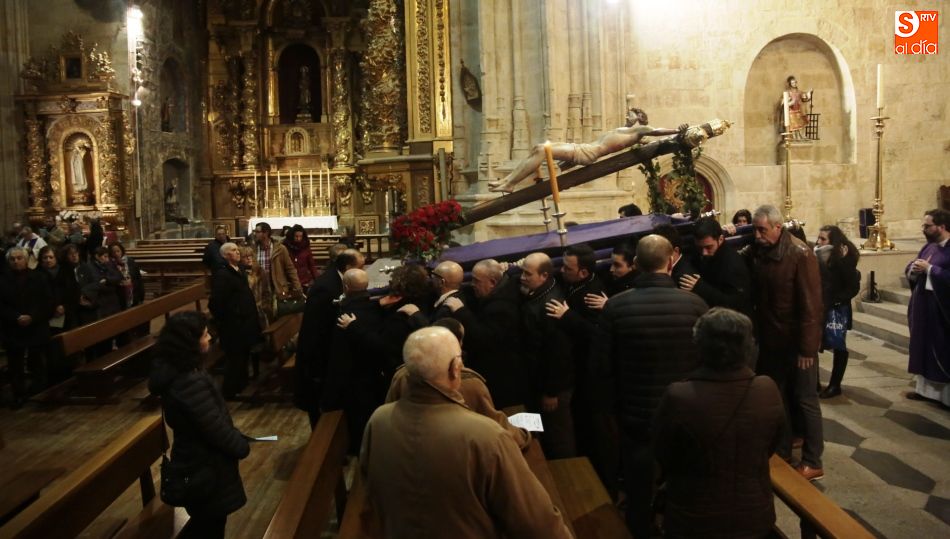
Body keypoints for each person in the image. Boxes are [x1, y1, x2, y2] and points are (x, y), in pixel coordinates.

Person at [359, 326, 573, 538]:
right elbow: (536, 523)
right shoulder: (485, 435)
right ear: (455, 368)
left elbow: (371, 489)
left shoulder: (378, 420)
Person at [588, 234, 708, 537]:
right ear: (670, 261)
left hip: (635, 416)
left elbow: (601, 368)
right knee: (682, 486)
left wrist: (609, 413)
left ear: (638, 264)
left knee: (638, 491)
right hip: (684, 415)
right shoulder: (696, 305)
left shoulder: (615, 308)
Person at [653, 308, 785, 538]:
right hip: (753, 513)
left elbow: (662, 452)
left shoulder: (680, 395)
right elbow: (771, 445)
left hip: (694, 515)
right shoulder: (767, 388)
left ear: (700, 345)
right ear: (747, 346)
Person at [148, 311, 250, 538]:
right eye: (204, 335)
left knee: (207, 525)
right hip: (204, 468)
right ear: (190, 343)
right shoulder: (188, 382)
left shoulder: (181, 371)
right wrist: (241, 445)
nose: (210, 338)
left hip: (199, 462)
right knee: (209, 527)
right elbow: (214, 428)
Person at [743, 204, 824, 481]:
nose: (757, 235)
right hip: (772, 338)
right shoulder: (761, 250)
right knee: (778, 397)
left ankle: (813, 459)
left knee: (805, 399)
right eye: (754, 229)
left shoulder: (800, 254)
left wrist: (807, 348)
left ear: (778, 227)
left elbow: (811, 306)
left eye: (762, 229)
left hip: (796, 341)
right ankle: (784, 449)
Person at [385, 318, 531, 449]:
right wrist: (523, 436)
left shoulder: (400, 377)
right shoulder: (470, 384)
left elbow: (391, 418)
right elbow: (495, 424)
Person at [488, 108, 687, 193]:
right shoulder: (628, 131)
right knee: (538, 147)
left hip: (587, 153)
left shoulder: (640, 130)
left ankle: (510, 183)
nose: (627, 115)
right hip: (583, 148)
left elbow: (657, 131)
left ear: (640, 118)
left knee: (542, 150)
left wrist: (677, 130)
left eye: (631, 113)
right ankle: (507, 181)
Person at [295, 248, 365, 426]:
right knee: (319, 403)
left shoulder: (336, 278)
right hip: (317, 357)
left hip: (327, 351)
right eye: (360, 267)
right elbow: (316, 329)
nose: (363, 271)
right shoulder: (325, 288)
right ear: (348, 267)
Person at [443, 258, 524, 408]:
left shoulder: (503, 307)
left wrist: (461, 311)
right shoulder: (497, 291)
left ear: (492, 282)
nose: (472, 284)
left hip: (504, 381)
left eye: (476, 281)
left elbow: (484, 338)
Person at [517, 252, 575, 458]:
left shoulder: (550, 305)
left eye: (527, 273)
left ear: (544, 276)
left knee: (557, 435)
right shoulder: (539, 292)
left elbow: (558, 353)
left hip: (553, 388)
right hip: (537, 381)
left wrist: (552, 391)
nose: (522, 277)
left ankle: (566, 478)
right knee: (542, 431)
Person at [321, 268, 385, 453]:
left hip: (352, 380)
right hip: (374, 377)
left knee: (356, 424)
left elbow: (338, 356)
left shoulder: (345, 316)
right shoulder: (377, 309)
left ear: (346, 287)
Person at [905, 209, 950, 406]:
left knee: (941, 350)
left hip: (941, 313)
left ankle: (945, 397)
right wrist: (913, 269)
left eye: (927, 226)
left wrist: (931, 270)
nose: (924, 229)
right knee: (922, 348)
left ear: (941, 227)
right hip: (924, 308)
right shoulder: (929, 247)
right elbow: (914, 267)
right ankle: (925, 391)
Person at [0, 247, 52, 407]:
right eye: (12, 259)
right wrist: (16, 317)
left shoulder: (38, 277)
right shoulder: (2, 280)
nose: (16, 262)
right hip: (13, 327)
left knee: (37, 361)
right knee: (15, 365)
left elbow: (46, 301)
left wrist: (32, 316)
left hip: (36, 326)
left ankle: (40, 392)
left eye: (19, 258)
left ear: (26, 259)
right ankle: (19, 395)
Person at [209, 242, 263, 398]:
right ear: (226, 256)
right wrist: (229, 317)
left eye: (237, 250)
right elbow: (216, 302)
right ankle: (230, 390)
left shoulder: (239, 271)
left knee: (244, 355)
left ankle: (242, 385)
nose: (237, 252)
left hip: (245, 321)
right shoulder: (222, 275)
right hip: (233, 324)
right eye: (233, 250)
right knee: (235, 358)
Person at [814, 225, 861, 399]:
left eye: (823, 239)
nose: (819, 242)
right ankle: (815, 382)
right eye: (819, 238)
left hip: (837, 307)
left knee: (838, 344)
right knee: (814, 342)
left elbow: (852, 285)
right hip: (820, 305)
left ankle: (835, 385)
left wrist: (840, 261)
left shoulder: (846, 256)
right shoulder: (816, 254)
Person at [679, 217, 754, 319]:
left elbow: (736, 304)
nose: (703, 253)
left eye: (709, 247)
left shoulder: (733, 264)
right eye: (700, 248)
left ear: (721, 239)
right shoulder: (700, 253)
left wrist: (701, 287)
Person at [252, 222, 303, 311]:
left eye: (257, 231)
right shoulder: (254, 248)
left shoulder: (280, 248)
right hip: (259, 287)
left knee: (277, 313)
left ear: (266, 233)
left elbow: (290, 269)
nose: (255, 234)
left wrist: (298, 287)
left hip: (276, 285)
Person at [285, 225, 319, 291]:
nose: (298, 239)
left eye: (300, 236)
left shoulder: (306, 247)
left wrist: (317, 280)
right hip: (289, 281)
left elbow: (312, 265)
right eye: (296, 236)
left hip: (303, 280)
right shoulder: (286, 247)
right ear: (292, 236)